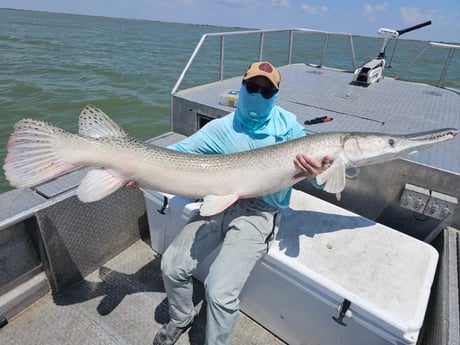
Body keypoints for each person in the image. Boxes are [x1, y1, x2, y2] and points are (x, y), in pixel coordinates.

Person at [151, 61, 330, 345]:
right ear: (242, 87)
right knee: (171, 266)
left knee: (218, 291)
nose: (258, 95)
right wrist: (138, 171)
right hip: (221, 200)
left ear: (275, 96)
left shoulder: (290, 130)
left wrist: (318, 175)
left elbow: (322, 178)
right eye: (252, 87)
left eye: (266, 91)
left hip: (260, 211)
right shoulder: (223, 128)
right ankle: (181, 318)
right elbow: (177, 153)